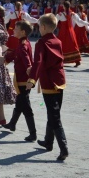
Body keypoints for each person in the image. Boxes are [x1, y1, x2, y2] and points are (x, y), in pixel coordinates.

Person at [26, 13, 69, 161]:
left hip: (49, 83)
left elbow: (38, 62)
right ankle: (48, 142)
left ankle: (63, 148)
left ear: (43, 27)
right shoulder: (58, 41)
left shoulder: (41, 43)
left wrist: (32, 78)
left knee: (54, 115)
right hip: (60, 80)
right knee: (53, 112)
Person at [1, 20, 37, 141]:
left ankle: (33, 133)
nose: (13, 30)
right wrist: (6, 58)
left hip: (23, 81)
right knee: (20, 103)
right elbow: (15, 54)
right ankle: (12, 124)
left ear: (22, 32)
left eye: (16, 29)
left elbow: (26, 59)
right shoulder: (24, 43)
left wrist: (28, 69)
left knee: (25, 106)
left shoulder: (22, 45)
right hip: (23, 80)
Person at [55, 1, 89, 66]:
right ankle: (77, 60)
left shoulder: (60, 14)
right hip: (71, 31)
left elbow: (54, 21)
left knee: (62, 45)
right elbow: (80, 21)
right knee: (72, 45)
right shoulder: (73, 14)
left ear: (64, 7)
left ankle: (60, 59)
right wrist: (88, 23)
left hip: (63, 32)